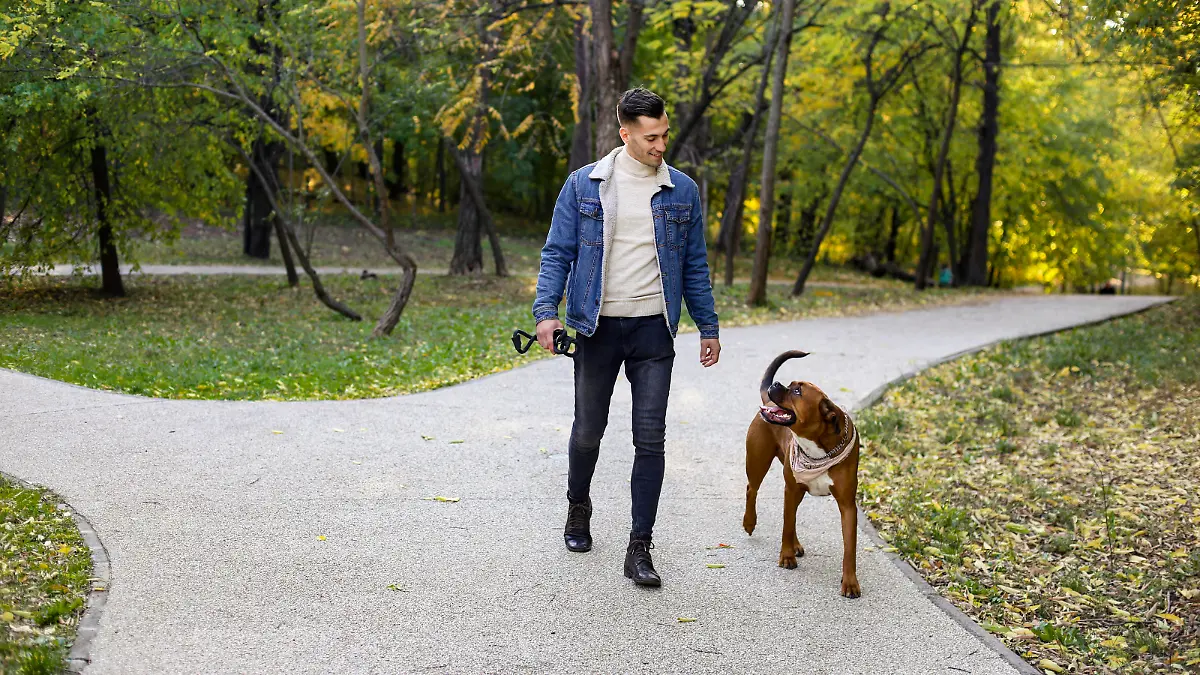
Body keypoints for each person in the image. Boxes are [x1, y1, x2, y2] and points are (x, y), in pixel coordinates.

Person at [532, 88, 721, 587]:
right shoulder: (585, 186)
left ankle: (640, 546)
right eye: (651, 137)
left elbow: (694, 263)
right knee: (588, 430)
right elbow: (557, 253)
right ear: (625, 134)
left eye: (664, 135)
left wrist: (708, 325)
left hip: (654, 331)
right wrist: (545, 314)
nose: (661, 145)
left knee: (650, 440)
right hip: (597, 327)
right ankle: (578, 507)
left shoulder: (682, 191)